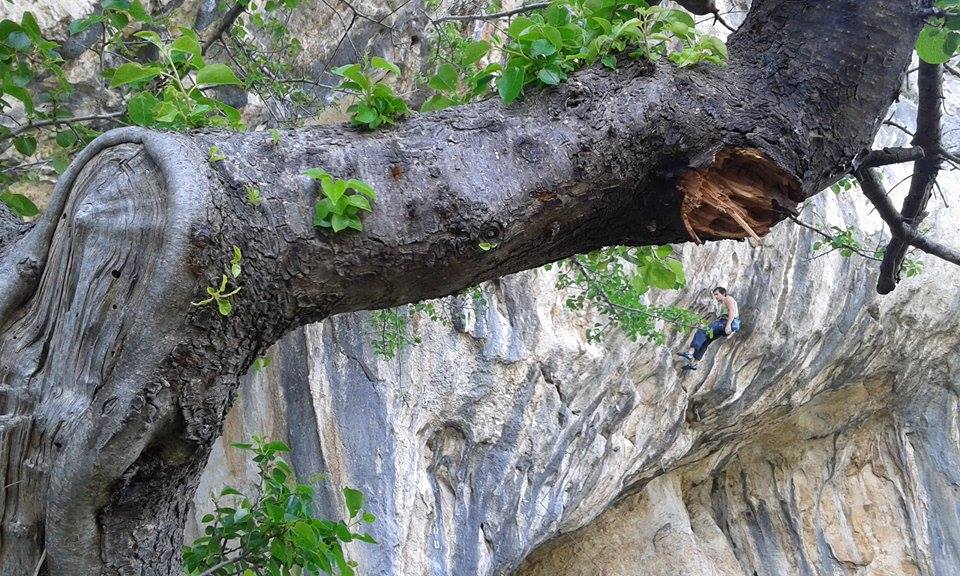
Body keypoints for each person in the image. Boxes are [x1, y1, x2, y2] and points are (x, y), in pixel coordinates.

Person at [677, 287, 741, 371]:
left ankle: (690, 352)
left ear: (723, 293)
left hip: (724, 323)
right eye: (714, 295)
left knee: (703, 331)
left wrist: (728, 325)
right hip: (724, 325)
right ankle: (694, 364)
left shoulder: (728, 299)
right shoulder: (723, 303)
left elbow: (731, 312)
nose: (715, 296)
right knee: (706, 340)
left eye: (717, 294)